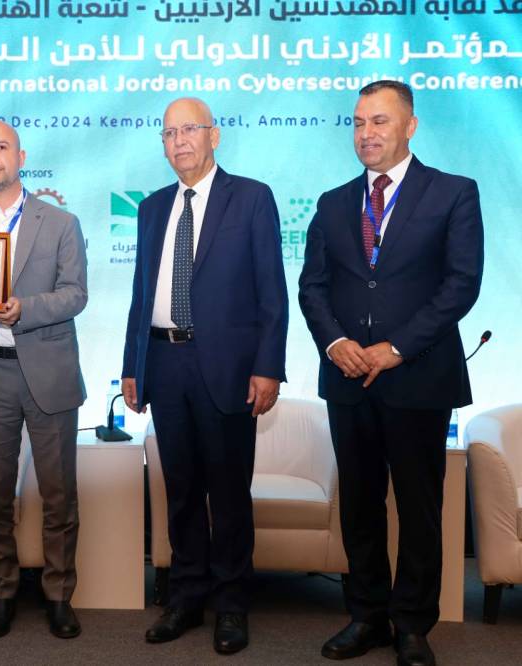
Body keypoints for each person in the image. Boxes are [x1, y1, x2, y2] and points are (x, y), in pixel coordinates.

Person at [299, 81, 483, 666]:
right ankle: (366, 616)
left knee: (419, 508)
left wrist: (395, 348)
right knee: (359, 505)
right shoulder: (332, 203)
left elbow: (461, 284)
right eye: (358, 123)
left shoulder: (453, 193)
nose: (366, 133)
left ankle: (412, 625)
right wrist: (336, 343)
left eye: (379, 121)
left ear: (410, 126)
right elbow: (312, 287)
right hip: (348, 378)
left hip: (418, 377)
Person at [121, 98, 288, 655]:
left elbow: (272, 292)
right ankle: (187, 598)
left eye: (189, 130)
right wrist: (131, 366)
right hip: (164, 362)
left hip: (228, 368)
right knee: (182, 490)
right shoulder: (152, 208)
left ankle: (232, 604)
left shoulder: (252, 197)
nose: (179, 142)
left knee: (229, 493)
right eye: (169, 133)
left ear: (214, 136)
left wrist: (268, 366)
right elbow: (141, 293)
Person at [0, 120, 88, 639]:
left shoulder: (61, 222)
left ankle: (59, 595)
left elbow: (75, 294)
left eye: (1, 148)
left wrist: (22, 309)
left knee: (58, 494)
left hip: (47, 373)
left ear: (21, 156)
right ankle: (1, 593)